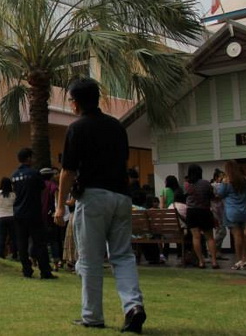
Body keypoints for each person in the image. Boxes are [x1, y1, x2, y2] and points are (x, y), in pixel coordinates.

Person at [54, 78, 145, 333]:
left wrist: (60, 207)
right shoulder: (117, 127)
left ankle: (92, 315)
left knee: (90, 258)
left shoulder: (77, 128)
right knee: (123, 255)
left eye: (70, 100)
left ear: (76, 102)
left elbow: (68, 171)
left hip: (93, 196)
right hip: (122, 196)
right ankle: (133, 306)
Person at [12, 148, 56, 279]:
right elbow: (42, 188)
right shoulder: (34, 173)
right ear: (29, 158)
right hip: (33, 212)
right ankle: (45, 271)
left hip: (18, 212)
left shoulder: (14, 175)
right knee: (39, 243)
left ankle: (26, 270)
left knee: (22, 243)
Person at [215, 160, 246, 270]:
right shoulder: (244, 180)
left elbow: (220, 194)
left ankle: (239, 260)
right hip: (243, 211)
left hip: (231, 211)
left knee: (237, 236)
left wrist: (221, 183)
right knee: (244, 236)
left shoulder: (227, 181)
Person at [184, 164, 220, 269]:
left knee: (196, 237)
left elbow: (185, 196)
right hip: (204, 211)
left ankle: (201, 261)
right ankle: (214, 261)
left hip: (191, 212)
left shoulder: (187, 185)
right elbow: (212, 196)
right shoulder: (206, 183)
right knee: (210, 237)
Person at [0, 177, 17, 260]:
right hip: (12, 216)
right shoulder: (13, 194)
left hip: (1, 216)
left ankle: (1, 254)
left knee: (1, 237)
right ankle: (15, 254)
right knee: (13, 237)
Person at [209, 168, 228, 257]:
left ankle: (216, 252)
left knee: (219, 231)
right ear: (216, 177)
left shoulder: (213, 185)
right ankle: (211, 248)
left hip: (218, 211)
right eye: (221, 177)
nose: (223, 178)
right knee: (222, 232)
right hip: (217, 211)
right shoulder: (215, 185)